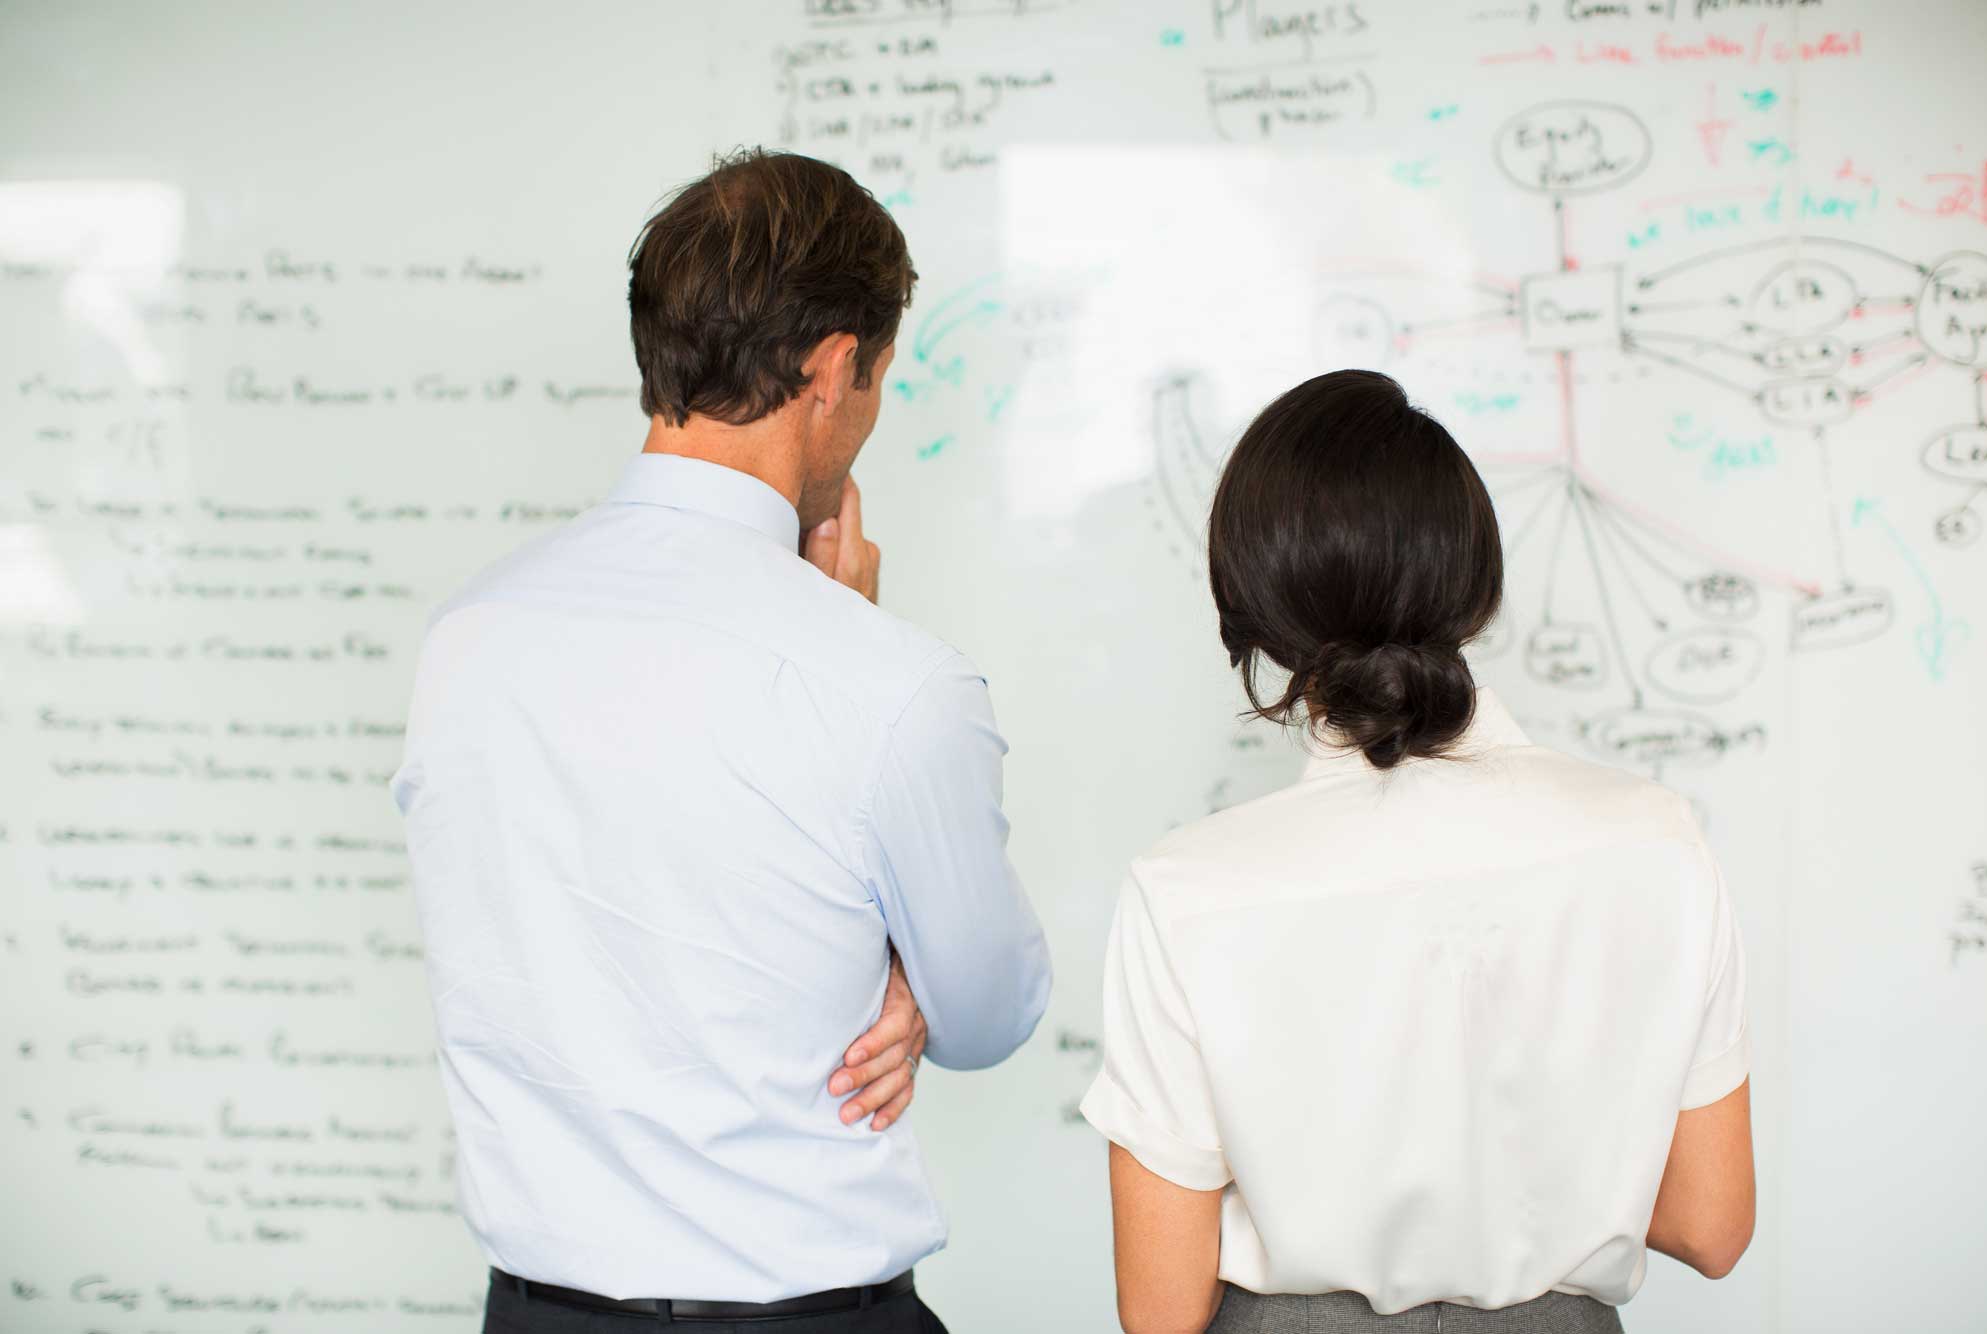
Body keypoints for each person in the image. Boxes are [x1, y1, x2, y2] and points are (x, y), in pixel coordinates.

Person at [392, 149, 1051, 1334]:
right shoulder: (889, 683)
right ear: (834, 367)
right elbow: (991, 1010)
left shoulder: (464, 638)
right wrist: (913, 978)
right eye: (880, 376)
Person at [1081, 370, 1754, 1334]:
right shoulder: (1656, 837)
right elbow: (1712, 1224)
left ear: (1257, 608)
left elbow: (1159, 1311)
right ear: (1476, 583)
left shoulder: (1186, 891)